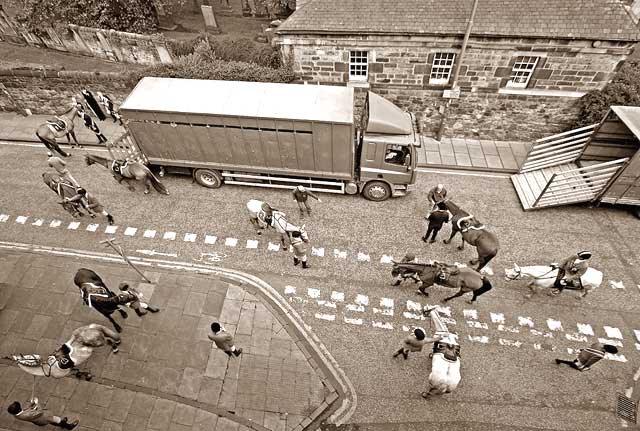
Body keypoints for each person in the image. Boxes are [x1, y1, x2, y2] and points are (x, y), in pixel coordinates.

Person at [421, 306, 461, 398]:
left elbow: (441, 330)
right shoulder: (454, 341)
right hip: (453, 383)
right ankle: (431, 393)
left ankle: (432, 312)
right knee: (446, 387)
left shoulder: (442, 335)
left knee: (434, 381)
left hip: (447, 343)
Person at [7, 398, 79, 429]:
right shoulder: (27, 415)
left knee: (53, 421)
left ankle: (61, 424)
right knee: (57, 419)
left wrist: (32, 404)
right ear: (18, 409)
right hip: (43, 418)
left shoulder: (17, 414)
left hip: (39, 419)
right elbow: (40, 412)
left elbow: (27, 409)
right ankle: (69, 426)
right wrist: (37, 403)